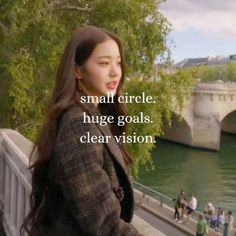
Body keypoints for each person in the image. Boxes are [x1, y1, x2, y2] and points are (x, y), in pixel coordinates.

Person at [21, 26, 143, 236]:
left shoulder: (86, 113)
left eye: (118, 62)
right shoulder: (79, 124)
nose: (115, 71)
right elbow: (105, 223)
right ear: (77, 70)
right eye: (104, 63)